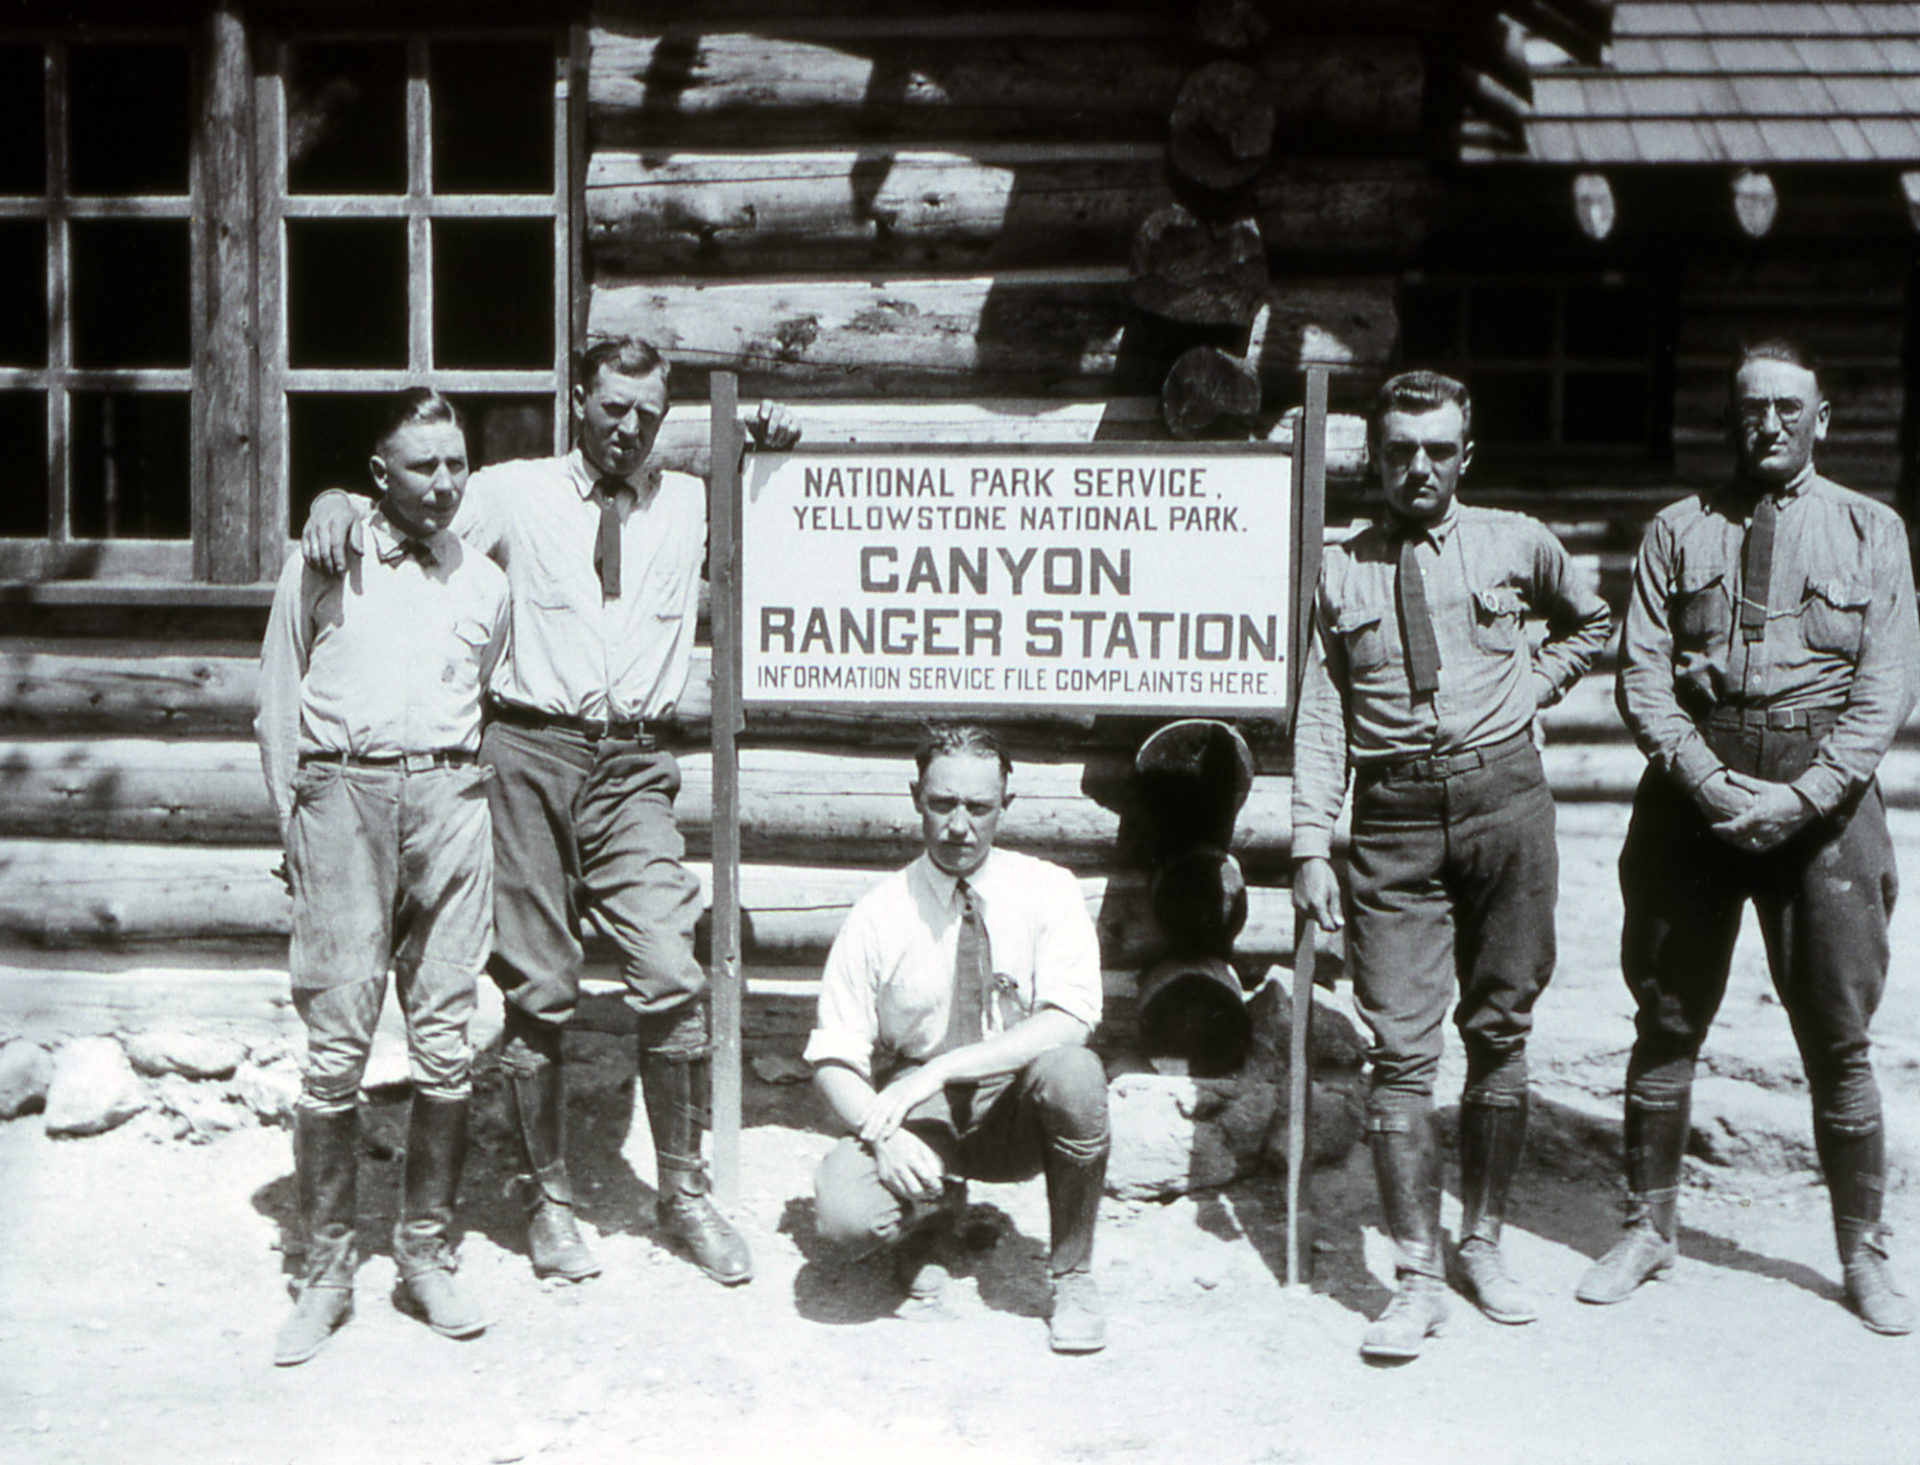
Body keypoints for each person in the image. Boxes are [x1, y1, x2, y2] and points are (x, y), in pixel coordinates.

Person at [301, 337, 796, 1289]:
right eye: (613, 407)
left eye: (648, 413)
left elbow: (777, 521)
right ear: (580, 398)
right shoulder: (512, 491)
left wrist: (770, 448)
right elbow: (415, 505)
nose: (629, 427)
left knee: (668, 965)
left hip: (635, 761)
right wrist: (337, 502)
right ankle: (550, 1200)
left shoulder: (689, 500)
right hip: (526, 750)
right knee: (537, 983)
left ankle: (684, 1193)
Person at [1579, 341, 1919, 1335]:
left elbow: (1883, 690)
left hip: (1825, 808)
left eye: (1786, 408)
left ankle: (1863, 1251)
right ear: (1731, 419)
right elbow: (1641, 675)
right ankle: (1648, 1228)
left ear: (1823, 420)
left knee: (1838, 1037)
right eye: (1749, 409)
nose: (1766, 424)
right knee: (1667, 1015)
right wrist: (1708, 778)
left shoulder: (1871, 531)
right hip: (1695, 794)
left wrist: (1800, 797)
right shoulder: (1677, 531)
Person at [1292, 370, 1611, 1361]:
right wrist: (1311, 842)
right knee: (1400, 1048)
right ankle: (1417, 1281)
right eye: (1398, 451)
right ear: (1372, 458)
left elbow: (1593, 623)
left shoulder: (1517, 540)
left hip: (1507, 803)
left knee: (1502, 1025)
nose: (1417, 468)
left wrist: (1529, 689)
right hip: (1392, 824)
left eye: (1436, 450)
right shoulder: (1338, 573)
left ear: (1464, 454)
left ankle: (1483, 1244)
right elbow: (1321, 714)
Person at [256, 388, 509, 1365]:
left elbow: (481, 693)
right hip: (342, 804)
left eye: (455, 464)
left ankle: (425, 1255)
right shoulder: (321, 562)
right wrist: (299, 825)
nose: (442, 483)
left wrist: (456, 801)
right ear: (379, 475)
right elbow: (277, 701)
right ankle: (323, 1272)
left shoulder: (484, 582)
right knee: (336, 1041)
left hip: (448, 804)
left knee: (446, 1036)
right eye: (422, 466)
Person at [805, 724, 1113, 1354]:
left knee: (1075, 1076)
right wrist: (881, 1133)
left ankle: (1074, 1277)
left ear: (1007, 807)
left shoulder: (1048, 889)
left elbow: (1071, 1018)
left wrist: (945, 1070)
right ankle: (927, 1225)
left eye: (978, 807)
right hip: (922, 1116)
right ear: (916, 796)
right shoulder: (879, 913)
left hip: (1015, 1107)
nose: (959, 826)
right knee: (843, 1218)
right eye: (943, 804)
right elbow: (833, 1056)